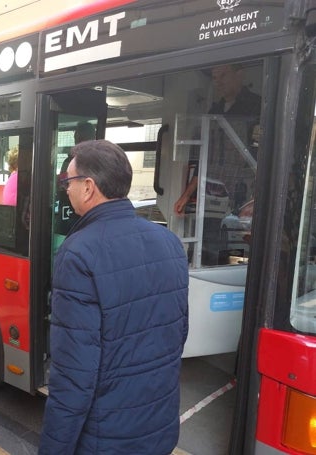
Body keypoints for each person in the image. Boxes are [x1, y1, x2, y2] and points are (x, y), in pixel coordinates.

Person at [39, 140, 189, 454]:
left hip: (105, 437)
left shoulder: (78, 254)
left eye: (68, 181)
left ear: (88, 187)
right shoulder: (169, 242)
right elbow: (177, 333)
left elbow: (74, 375)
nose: (65, 189)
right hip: (159, 427)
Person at [174, 63, 261, 215]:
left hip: (245, 195)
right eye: (214, 77)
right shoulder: (214, 112)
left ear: (240, 74)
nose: (218, 82)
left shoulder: (258, 107)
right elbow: (205, 158)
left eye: (223, 76)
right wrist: (186, 195)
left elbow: (262, 158)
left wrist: (256, 199)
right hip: (213, 196)